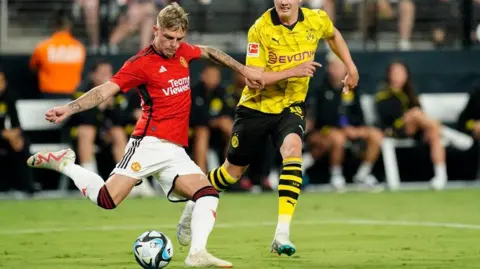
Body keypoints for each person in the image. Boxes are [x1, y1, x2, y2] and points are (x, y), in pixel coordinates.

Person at [27, 3, 263, 267]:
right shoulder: (140, 63)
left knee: (208, 194)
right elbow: (105, 90)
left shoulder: (183, 51)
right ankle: (66, 164)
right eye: (168, 38)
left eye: (179, 39)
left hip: (175, 150)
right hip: (148, 143)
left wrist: (244, 70)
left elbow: (211, 52)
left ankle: (197, 253)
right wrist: (69, 108)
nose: (174, 44)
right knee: (107, 199)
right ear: (155, 30)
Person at [178, 0, 359, 256]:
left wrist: (350, 66)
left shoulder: (315, 19)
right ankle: (193, 200)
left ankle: (281, 232)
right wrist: (294, 70)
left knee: (293, 149)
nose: (284, 1)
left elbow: (333, 34)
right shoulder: (260, 28)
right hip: (256, 108)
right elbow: (253, 78)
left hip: (291, 106)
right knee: (231, 173)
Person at [305, 53, 383, 192]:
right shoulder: (319, 90)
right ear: (328, 68)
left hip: (350, 130)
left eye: (340, 66)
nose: (336, 70)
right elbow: (321, 118)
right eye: (333, 66)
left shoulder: (353, 88)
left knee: (375, 134)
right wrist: (342, 127)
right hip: (324, 131)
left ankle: (363, 174)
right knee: (337, 137)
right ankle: (336, 175)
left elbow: (359, 115)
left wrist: (354, 129)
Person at [375, 61, 447, 190]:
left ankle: (441, 176)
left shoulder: (410, 93)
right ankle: (446, 132)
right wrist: (409, 117)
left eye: (402, 72)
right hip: (395, 130)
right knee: (416, 114)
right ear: (389, 75)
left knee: (433, 132)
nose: (398, 76)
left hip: (416, 130)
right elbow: (386, 118)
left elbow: (421, 113)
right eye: (395, 72)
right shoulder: (383, 94)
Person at [29, 10, 86, 99]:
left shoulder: (43, 46)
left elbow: (33, 67)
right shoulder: (79, 47)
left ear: (53, 26)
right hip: (72, 94)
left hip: (48, 94)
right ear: (69, 26)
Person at [0, 70, 37, 195]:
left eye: (2, 81)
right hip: (3, 134)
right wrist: (5, 134)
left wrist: (15, 136)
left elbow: (16, 122)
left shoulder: (9, 97)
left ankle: (27, 185)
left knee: (23, 143)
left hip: (5, 135)